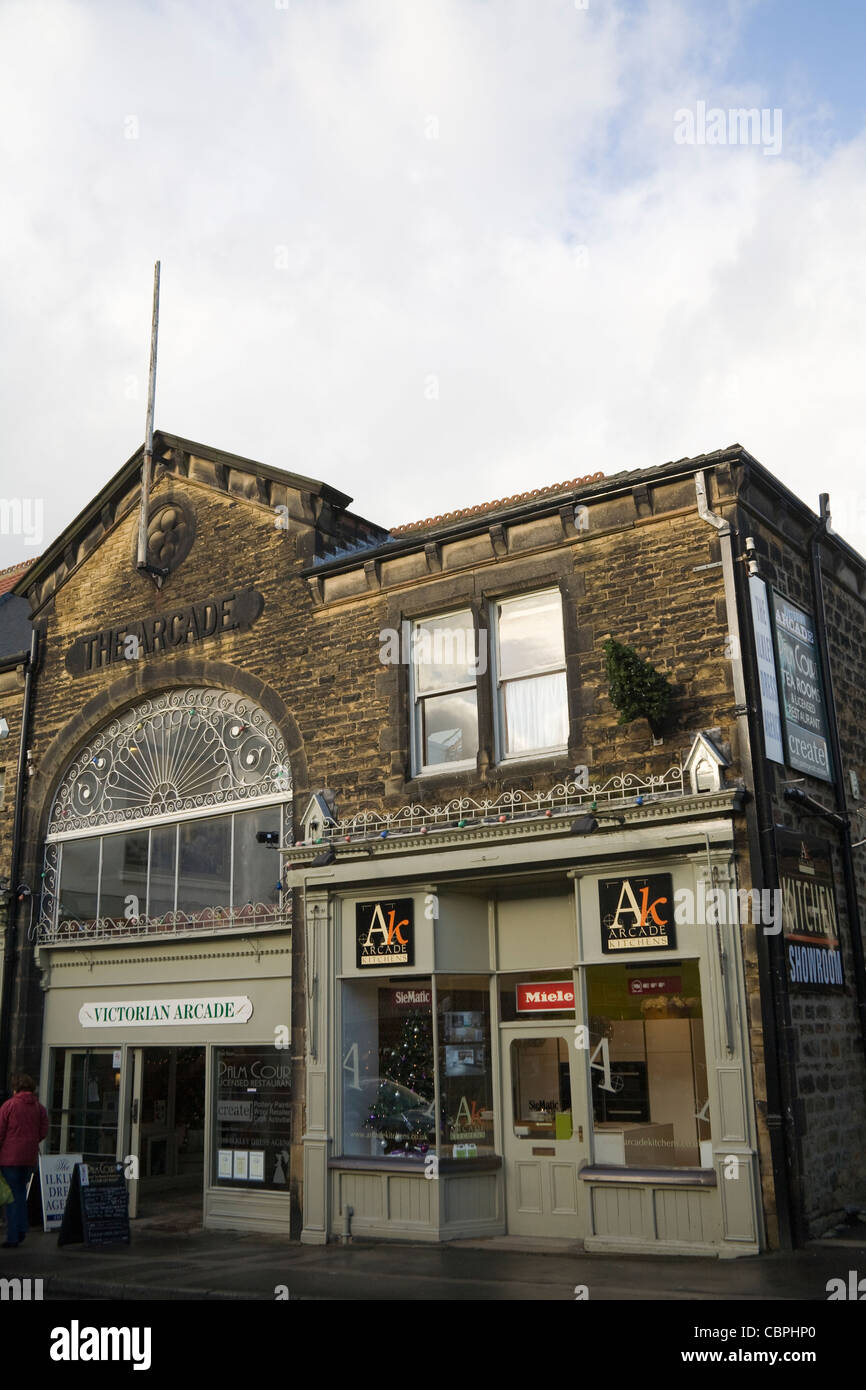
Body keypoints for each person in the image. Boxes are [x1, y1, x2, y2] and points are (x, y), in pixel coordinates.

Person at [0, 1073, 49, 1248]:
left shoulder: (9, 1106)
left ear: (15, 1088)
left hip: (10, 1157)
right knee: (20, 1192)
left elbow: (0, 1131)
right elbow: (43, 1131)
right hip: (29, 1157)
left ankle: (14, 1235)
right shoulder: (39, 1108)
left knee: (12, 1196)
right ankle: (21, 1228)